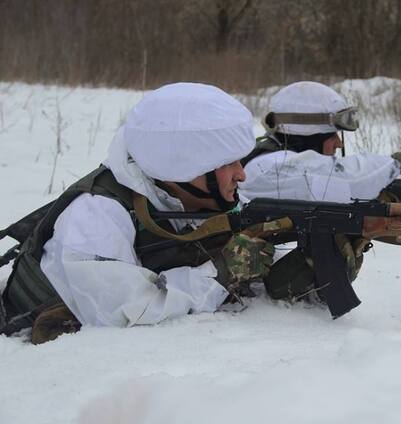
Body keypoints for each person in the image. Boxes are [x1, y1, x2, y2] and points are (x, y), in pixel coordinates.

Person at [0, 82, 275, 344]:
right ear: (183, 166)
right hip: (45, 346)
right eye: (227, 163)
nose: (241, 174)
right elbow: (126, 311)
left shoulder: (187, 192)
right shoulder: (96, 215)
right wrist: (221, 274)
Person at [238, 81, 401, 303]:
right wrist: (395, 164)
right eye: (332, 135)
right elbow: (348, 178)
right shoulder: (273, 166)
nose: (338, 143)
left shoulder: (273, 159)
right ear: (310, 134)